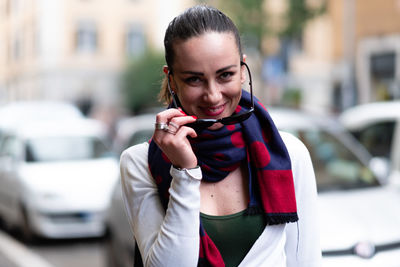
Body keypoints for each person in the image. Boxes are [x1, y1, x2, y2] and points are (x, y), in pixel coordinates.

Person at [120, 5, 321, 267]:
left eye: (225, 75)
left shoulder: (288, 154)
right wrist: (184, 171)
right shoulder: (138, 163)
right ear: (171, 80)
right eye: (194, 79)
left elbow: (304, 261)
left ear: (242, 69)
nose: (213, 95)